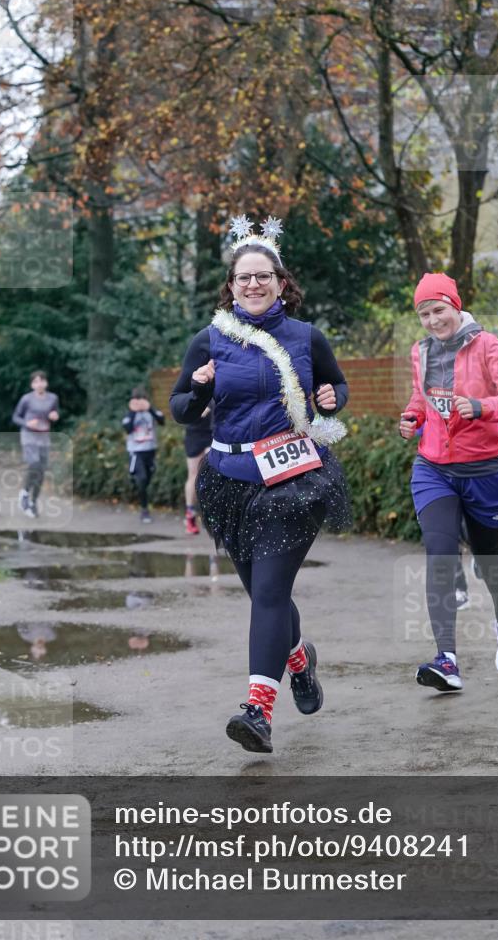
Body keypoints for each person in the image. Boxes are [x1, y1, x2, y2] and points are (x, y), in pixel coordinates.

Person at [170, 215, 351, 753]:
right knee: (262, 594)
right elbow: (180, 409)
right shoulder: (210, 339)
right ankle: (298, 660)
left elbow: (336, 383)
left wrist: (330, 400)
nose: (253, 285)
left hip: (292, 477)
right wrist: (200, 387)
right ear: (232, 285)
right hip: (230, 480)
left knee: (269, 594)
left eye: (263, 277)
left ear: (280, 282)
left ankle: (257, 710)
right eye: (243, 277)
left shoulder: (304, 337)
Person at [399, 272, 498, 692]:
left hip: (486, 472)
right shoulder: (421, 352)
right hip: (434, 468)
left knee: (491, 563)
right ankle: (447, 660)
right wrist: (412, 418)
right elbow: (422, 399)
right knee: (439, 551)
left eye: (439, 310)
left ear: (455, 306)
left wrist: (480, 406)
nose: (433, 320)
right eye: (425, 314)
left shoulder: (487, 345)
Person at [12, 371, 59, 518]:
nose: (39, 384)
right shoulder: (26, 399)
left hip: (44, 436)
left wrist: (55, 416)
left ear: (46, 383)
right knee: (34, 464)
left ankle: (33, 502)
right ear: (32, 384)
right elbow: (15, 417)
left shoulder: (53, 398)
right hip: (28, 435)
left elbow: (55, 412)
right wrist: (27, 423)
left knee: (41, 471)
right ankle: (24, 493)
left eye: (42, 381)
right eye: (36, 382)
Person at [122, 386, 164, 523]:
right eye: (137, 400)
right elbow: (127, 429)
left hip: (150, 451)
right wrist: (133, 412)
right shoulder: (129, 414)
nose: (140, 403)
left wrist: (149, 408)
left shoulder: (150, 412)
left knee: (147, 479)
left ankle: (140, 493)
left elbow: (161, 420)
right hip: (136, 452)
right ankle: (144, 509)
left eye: (142, 400)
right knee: (142, 478)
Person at [183, 402, 214, 534]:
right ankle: (190, 514)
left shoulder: (219, 384)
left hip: (212, 433)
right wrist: (195, 411)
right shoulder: (191, 386)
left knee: (211, 473)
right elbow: (181, 411)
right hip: (194, 434)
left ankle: (211, 512)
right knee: (193, 475)